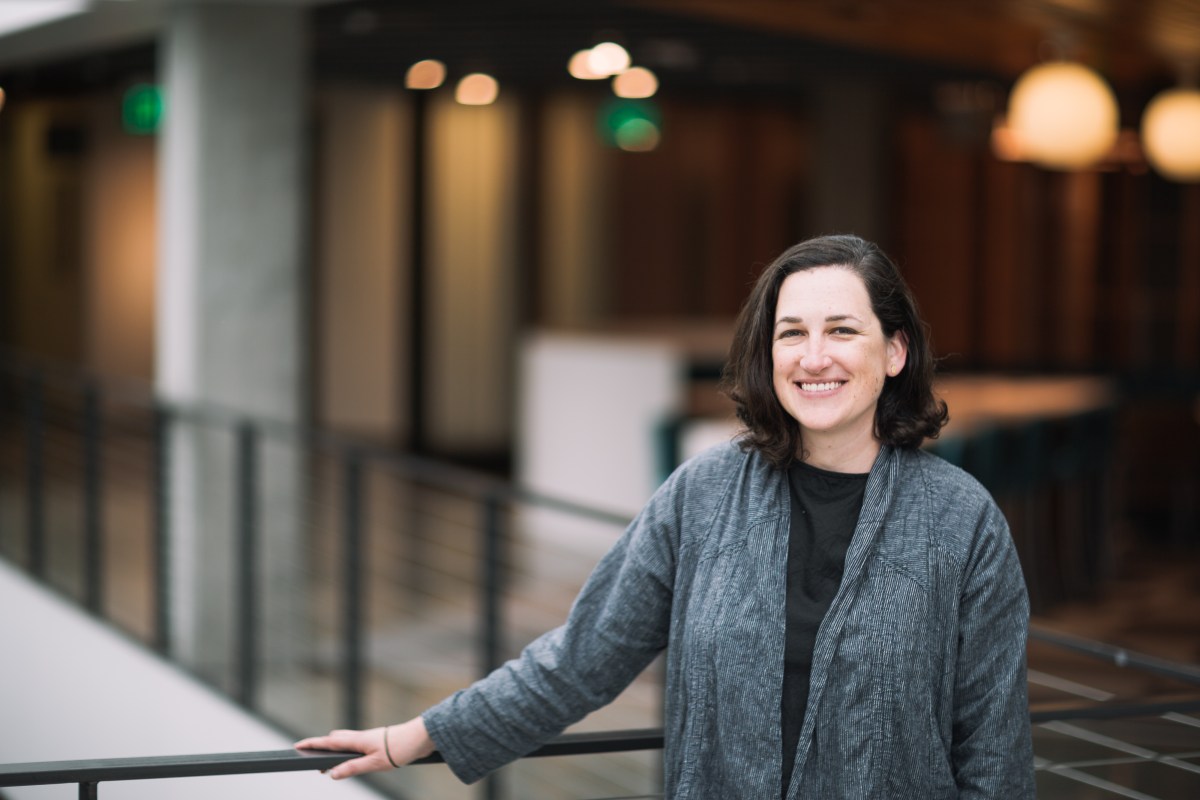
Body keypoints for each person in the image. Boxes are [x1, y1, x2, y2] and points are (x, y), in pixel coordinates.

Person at [295, 234, 1035, 798]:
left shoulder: (959, 521)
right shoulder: (704, 494)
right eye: (791, 333)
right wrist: (421, 735)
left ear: (895, 351)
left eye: (843, 330)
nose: (815, 357)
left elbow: (994, 750)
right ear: (767, 354)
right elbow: (583, 657)